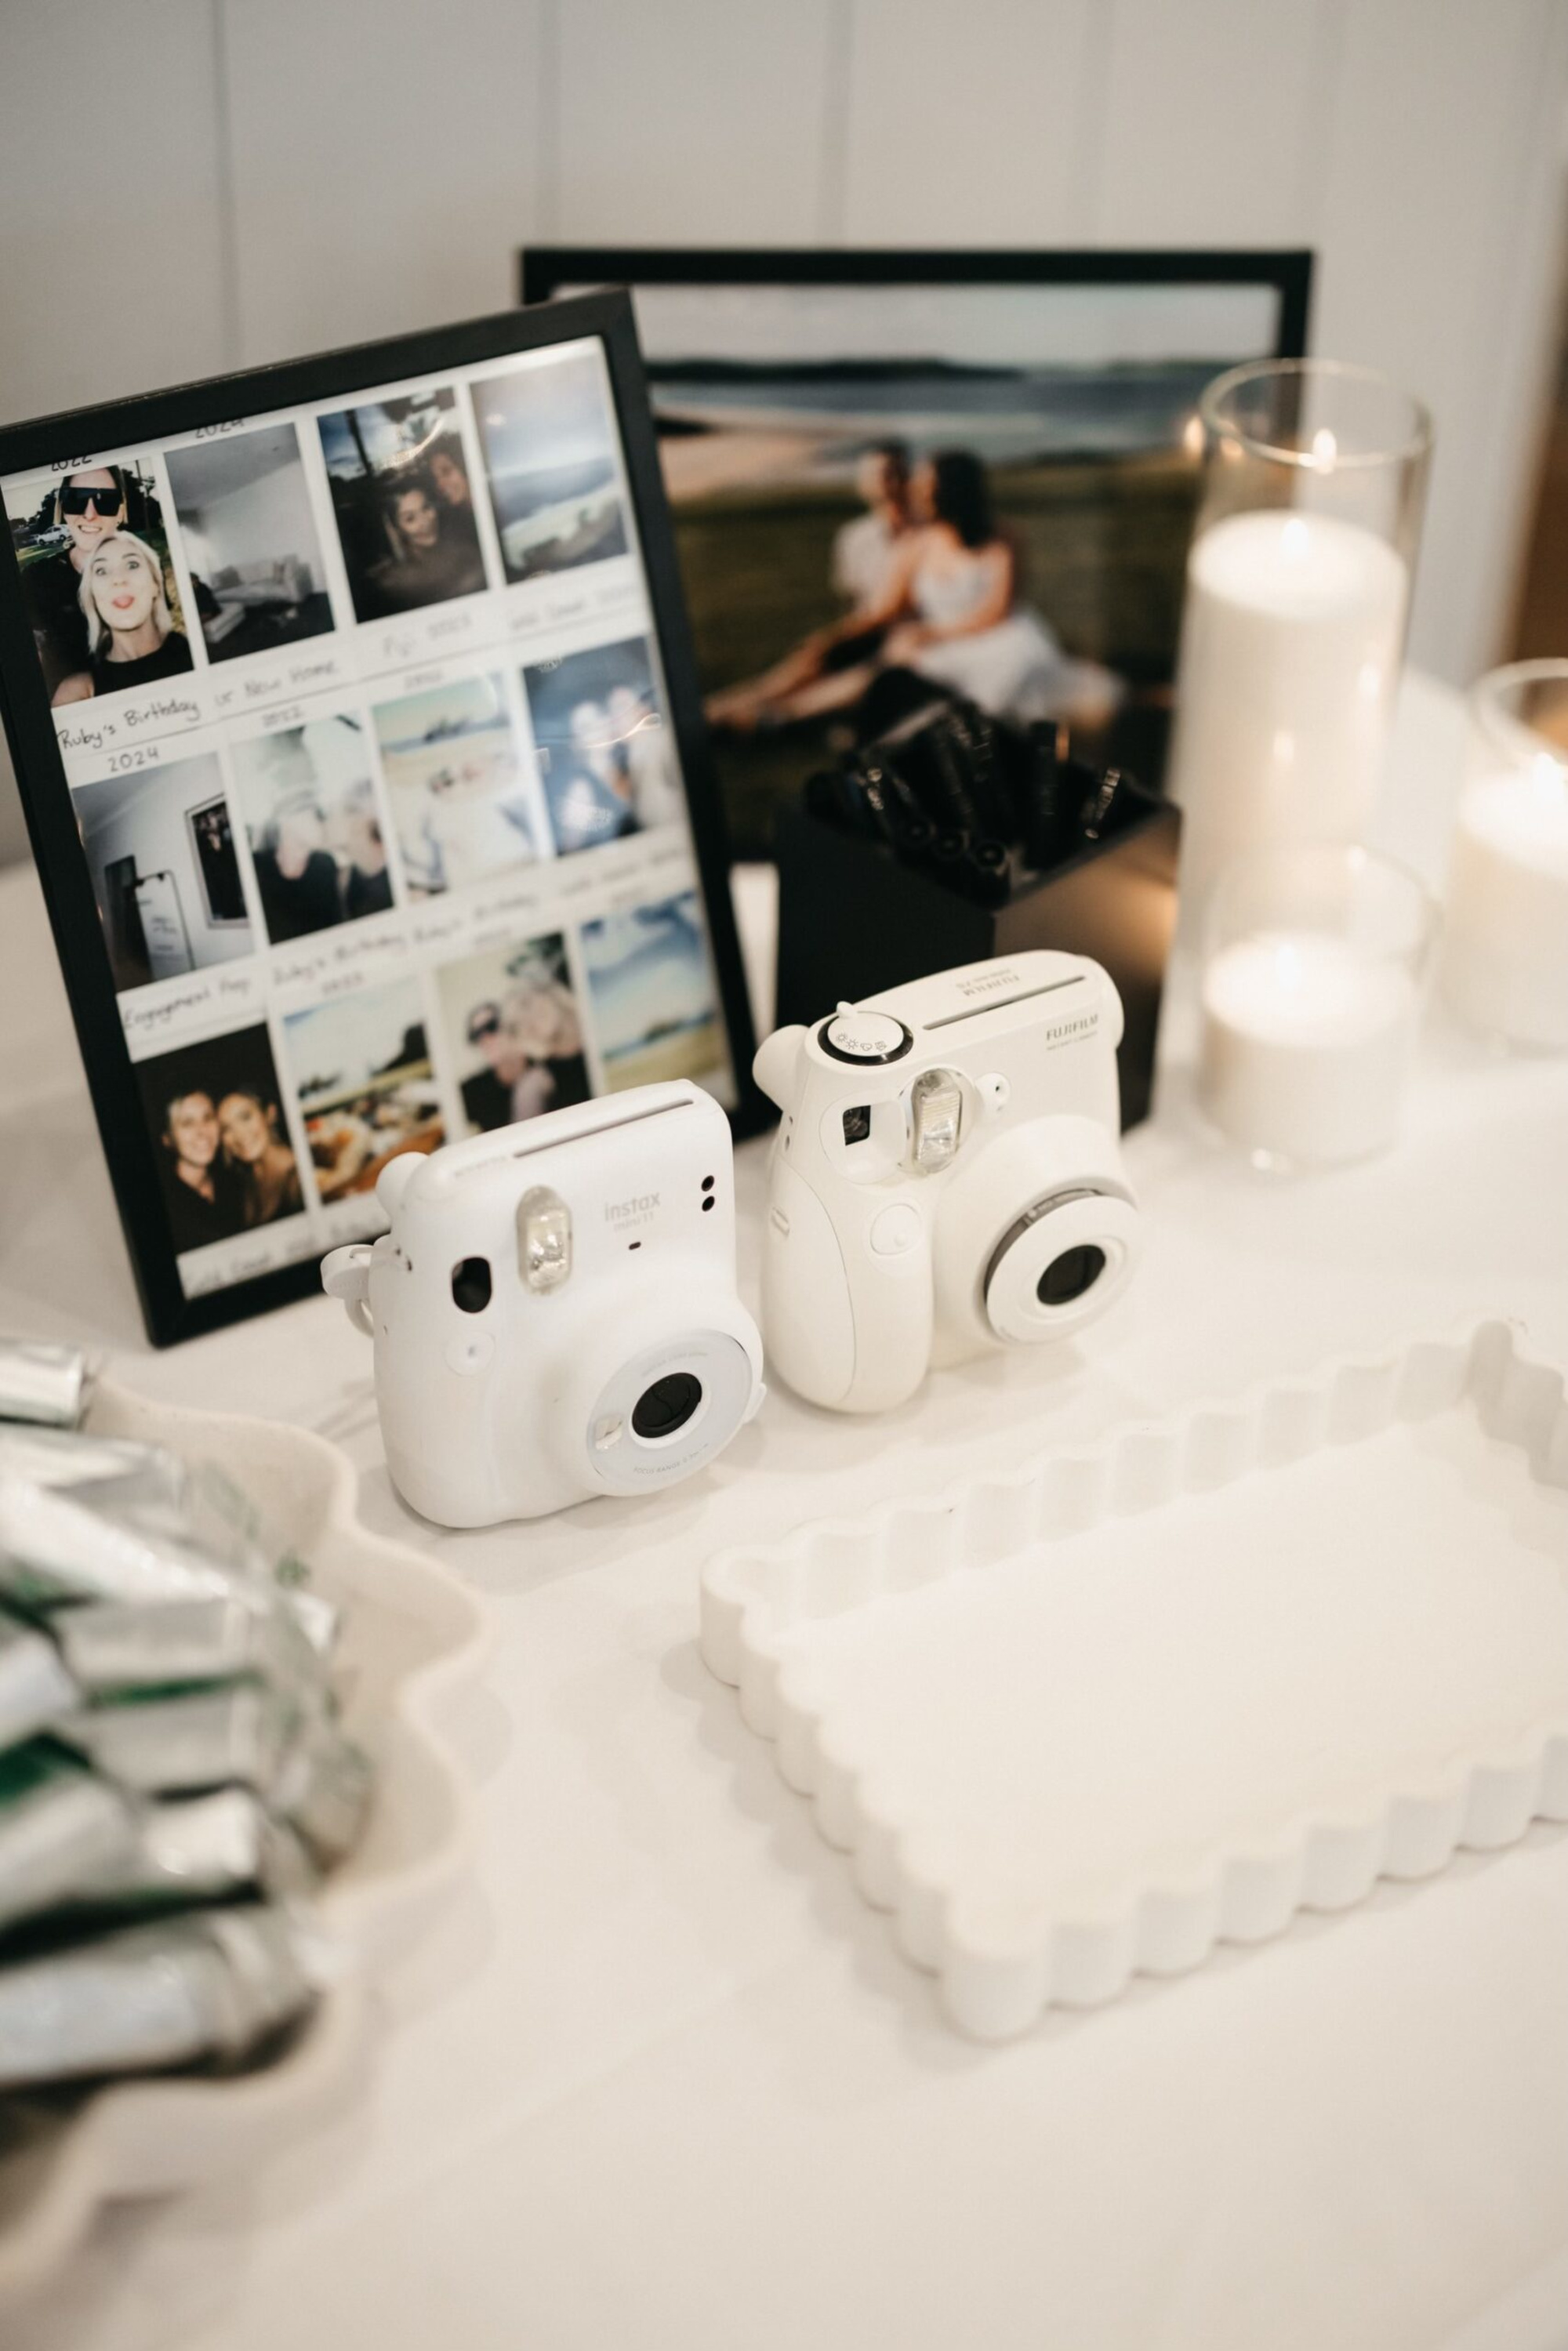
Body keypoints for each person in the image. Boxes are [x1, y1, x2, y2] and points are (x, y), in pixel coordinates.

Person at [705, 441, 913, 730]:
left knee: (853, 677)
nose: (887, 484)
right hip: (863, 630)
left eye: (894, 474)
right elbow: (851, 601)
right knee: (799, 669)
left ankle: (764, 718)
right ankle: (715, 711)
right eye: (876, 476)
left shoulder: (928, 535)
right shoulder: (855, 538)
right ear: (863, 484)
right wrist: (838, 638)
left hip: (902, 635)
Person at [23, 466, 126, 697]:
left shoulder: (142, 573)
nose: (90, 514)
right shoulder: (36, 577)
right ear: (64, 509)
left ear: (120, 512)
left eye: (104, 501)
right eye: (77, 500)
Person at [61, 528, 194, 702]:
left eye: (132, 565)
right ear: (92, 596)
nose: (118, 579)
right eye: (102, 570)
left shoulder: (197, 654)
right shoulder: (79, 691)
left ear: (155, 585)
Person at [368, 475, 485, 611]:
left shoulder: (464, 551)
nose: (425, 521)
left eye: (426, 508)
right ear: (397, 529)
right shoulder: (391, 582)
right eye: (410, 518)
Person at [543, 698, 638, 854]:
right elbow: (572, 851)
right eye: (587, 727)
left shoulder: (623, 770)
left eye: (599, 716)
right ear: (576, 742)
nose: (598, 727)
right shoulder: (581, 790)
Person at [158, 1089, 242, 1252]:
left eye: (208, 1118)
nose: (202, 1132)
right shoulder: (168, 1205)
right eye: (187, 1124)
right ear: (167, 1139)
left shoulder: (237, 1182)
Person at [251, 797, 343, 942]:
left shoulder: (325, 864)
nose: (322, 820)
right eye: (315, 814)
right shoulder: (256, 866)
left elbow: (338, 926)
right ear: (286, 820)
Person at [459, 1000, 556, 1134]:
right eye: (476, 1035)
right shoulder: (472, 1090)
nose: (485, 1039)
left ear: (510, 1027)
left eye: (491, 1027)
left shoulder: (548, 1070)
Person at [216, 1090, 303, 1226]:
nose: (239, 1135)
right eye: (226, 1128)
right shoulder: (241, 1181)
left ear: (270, 1114)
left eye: (245, 1117)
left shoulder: (300, 1179)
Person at [606, 683, 684, 830]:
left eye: (622, 707)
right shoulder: (632, 757)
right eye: (612, 711)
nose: (615, 719)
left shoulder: (663, 742)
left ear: (643, 711)